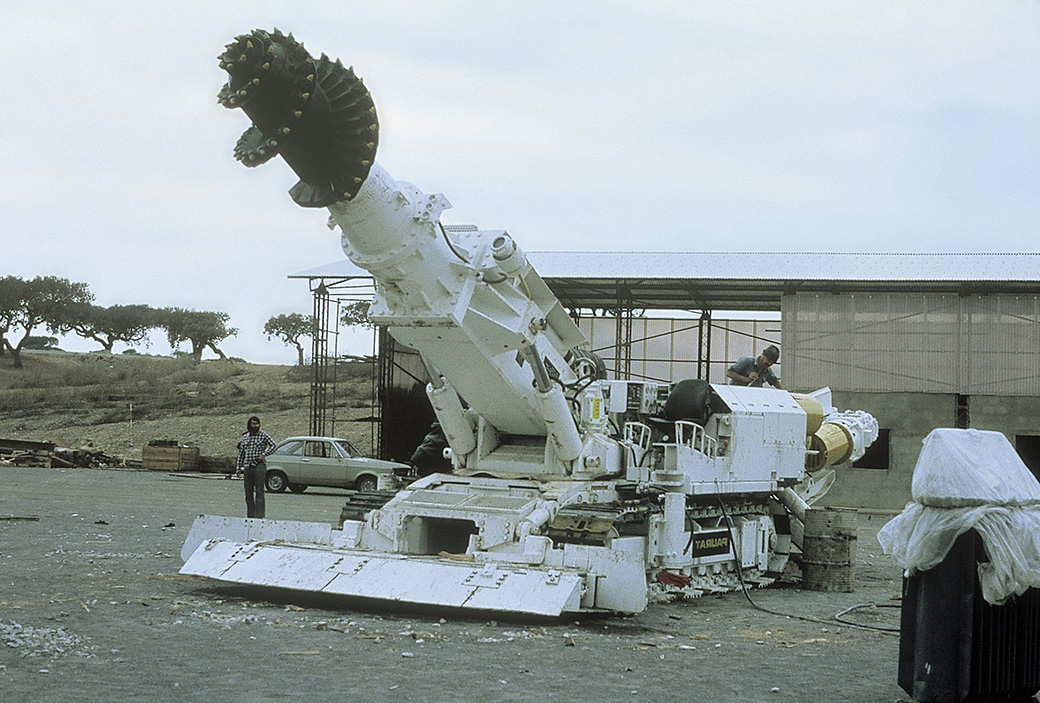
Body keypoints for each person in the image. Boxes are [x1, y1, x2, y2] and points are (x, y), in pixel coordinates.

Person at [236, 415, 277, 518]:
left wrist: (264, 455)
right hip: (248, 467)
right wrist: (238, 468)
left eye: (257, 424)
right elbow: (241, 453)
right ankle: (250, 516)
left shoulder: (263, 435)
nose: (256, 426)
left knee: (259, 492)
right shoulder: (245, 437)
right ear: (249, 425)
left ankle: (260, 516)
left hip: (259, 466)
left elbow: (274, 445)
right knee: (248, 493)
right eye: (253, 424)